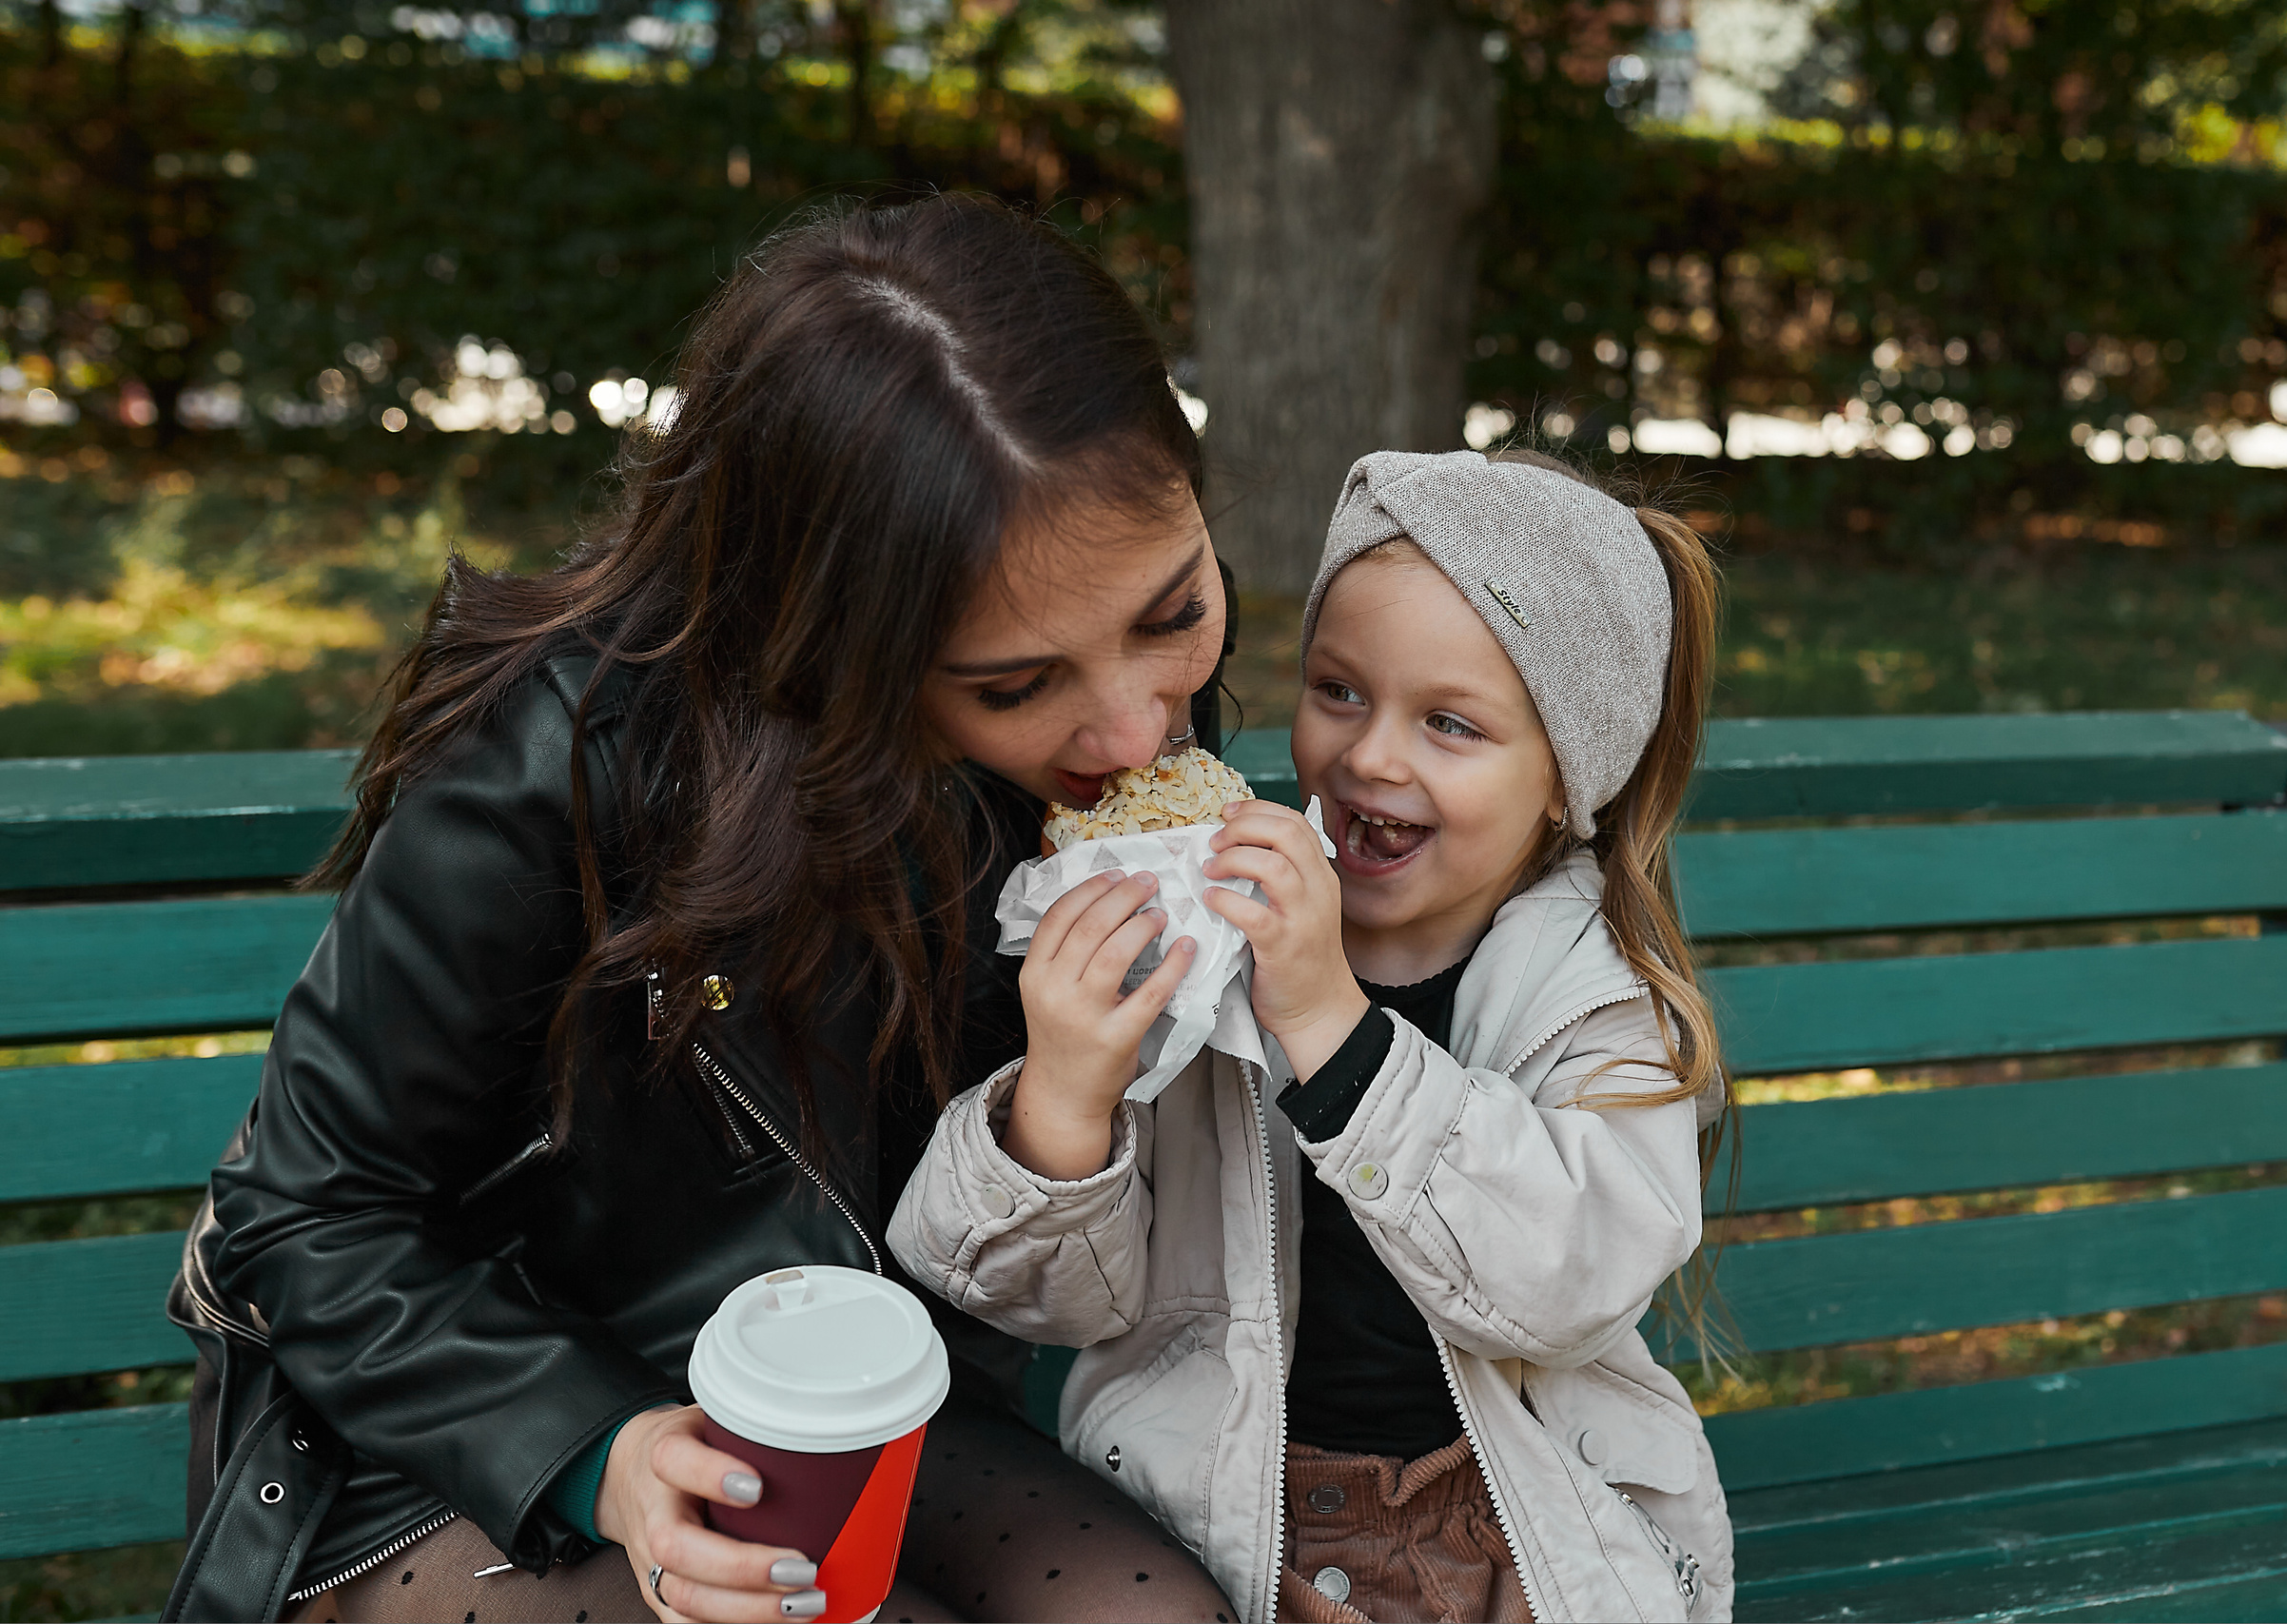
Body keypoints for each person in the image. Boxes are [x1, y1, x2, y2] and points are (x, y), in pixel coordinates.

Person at [166, 194, 1242, 1624]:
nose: (1135, 724)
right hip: (455, 1452)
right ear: (838, 634)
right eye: (1013, 684)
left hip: (844, 1399)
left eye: (1173, 614)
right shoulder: (559, 761)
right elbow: (304, 1216)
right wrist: (604, 1456)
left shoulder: (1095, 764)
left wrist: (1065, 1105)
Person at [891, 447, 1737, 1623]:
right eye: (1339, 691)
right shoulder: (1206, 930)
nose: (1370, 754)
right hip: (1226, 1523)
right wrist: (1065, 1100)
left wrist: (1335, 1030)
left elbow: (1573, 1281)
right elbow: (1029, 1296)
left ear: (1566, 778)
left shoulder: (1594, 999)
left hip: (1509, 1538)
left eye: (1450, 723)